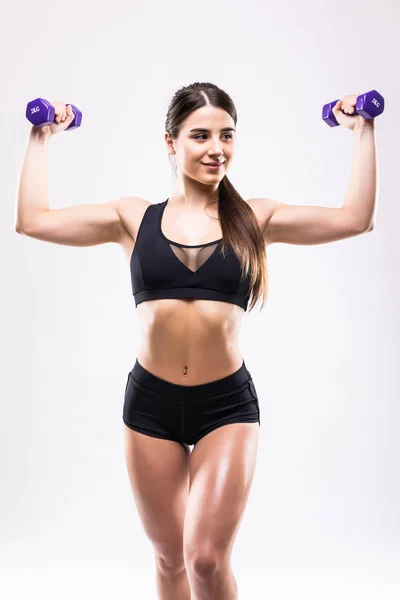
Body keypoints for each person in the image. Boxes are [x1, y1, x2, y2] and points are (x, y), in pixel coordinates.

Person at [15, 82, 376, 599]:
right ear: (171, 142)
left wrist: (362, 129)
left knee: (204, 559)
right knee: (169, 560)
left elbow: (355, 219)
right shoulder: (133, 219)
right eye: (201, 135)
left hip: (225, 406)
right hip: (150, 407)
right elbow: (32, 221)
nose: (216, 148)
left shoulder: (255, 218)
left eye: (226, 135)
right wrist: (41, 135)